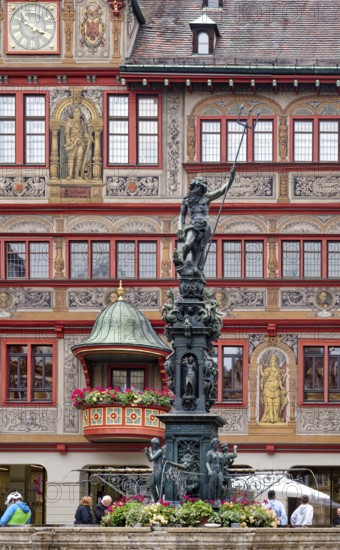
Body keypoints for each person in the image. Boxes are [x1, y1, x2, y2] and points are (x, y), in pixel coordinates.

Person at [176, 169, 235, 273]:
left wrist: (231, 178)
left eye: (201, 188)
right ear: (194, 187)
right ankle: (182, 262)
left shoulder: (207, 197)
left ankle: (198, 268)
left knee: (200, 249)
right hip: (193, 224)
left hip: (205, 225)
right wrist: (180, 228)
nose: (199, 189)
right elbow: (181, 216)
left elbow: (222, 190)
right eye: (197, 187)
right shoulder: (186, 200)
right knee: (187, 244)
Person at [64, 107, 93, 180]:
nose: (77, 113)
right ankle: (70, 175)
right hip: (73, 142)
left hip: (81, 142)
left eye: (78, 112)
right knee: (71, 158)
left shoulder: (82, 123)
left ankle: (76, 175)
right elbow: (67, 134)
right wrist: (69, 142)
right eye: (75, 112)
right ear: (73, 114)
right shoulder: (69, 122)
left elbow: (85, 133)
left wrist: (89, 137)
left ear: (80, 114)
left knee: (79, 159)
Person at [260, 354, 287, 423]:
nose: (273, 363)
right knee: (269, 405)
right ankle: (270, 418)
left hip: (277, 389)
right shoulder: (267, 369)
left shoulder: (278, 370)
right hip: (267, 388)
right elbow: (263, 375)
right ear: (269, 363)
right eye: (272, 362)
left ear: (276, 362)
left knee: (277, 405)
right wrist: (260, 368)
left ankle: (276, 417)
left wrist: (282, 388)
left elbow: (280, 380)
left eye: (274, 362)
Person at [144, 437, 165, 502]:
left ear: (157, 444)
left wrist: (149, 452)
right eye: (152, 444)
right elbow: (150, 459)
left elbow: (152, 458)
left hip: (159, 469)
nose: (152, 446)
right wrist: (146, 453)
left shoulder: (160, 451)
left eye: (153, 444)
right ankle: (156, 499)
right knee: (151, 485)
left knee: (159, 486)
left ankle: (160, 500)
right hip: (154, 469)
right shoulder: (154, 451)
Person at [206, 438, 224, 502]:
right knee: (212, 485)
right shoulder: (209, 453)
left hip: (219, 470)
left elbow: (222, 463)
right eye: (215, 444)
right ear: (212, 444)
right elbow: (207, 462)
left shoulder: (219, 453)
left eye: (217, 444)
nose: (217, 445)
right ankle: (212, 499)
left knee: (220, 485)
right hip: (213, 470)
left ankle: (217, 498)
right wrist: (209, 470)